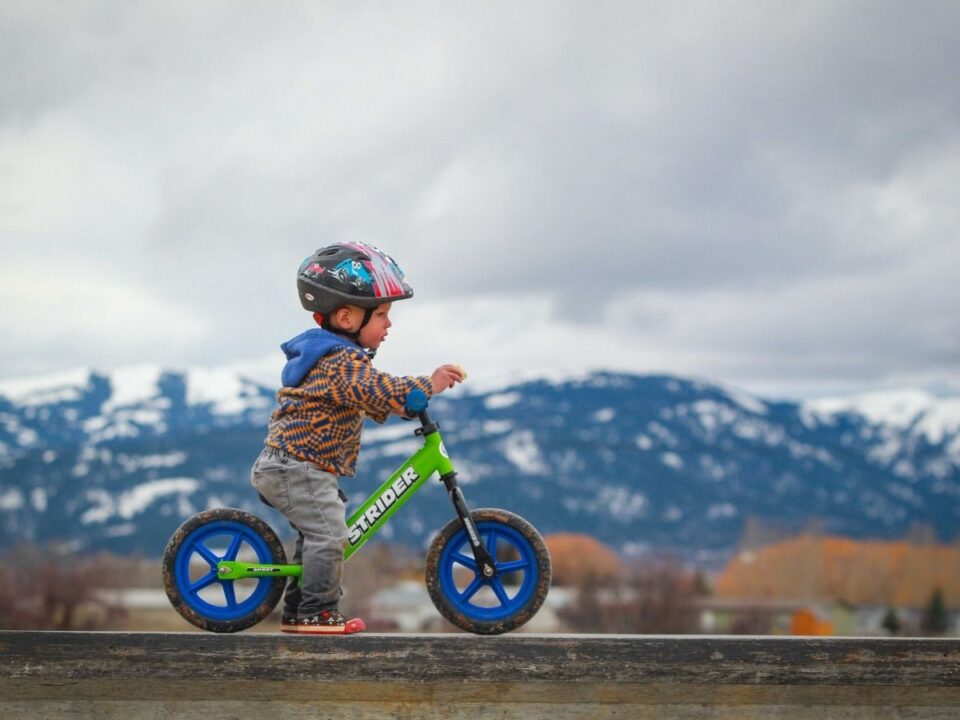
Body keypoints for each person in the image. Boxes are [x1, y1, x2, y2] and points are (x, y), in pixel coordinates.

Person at [251, 242, 465, 634]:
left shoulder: (339, 360)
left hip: (298, 465)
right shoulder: (337, 361)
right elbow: (375, 389)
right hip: (294, 466)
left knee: (316, 535)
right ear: (347, 317)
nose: (389, 324)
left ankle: (300, 612)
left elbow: (367, 395)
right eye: (382, 314)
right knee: (330, 534)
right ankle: (317, 612)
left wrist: (402, 404)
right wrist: (425, 386)